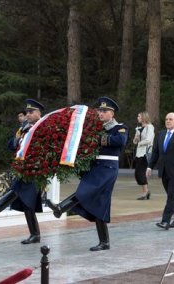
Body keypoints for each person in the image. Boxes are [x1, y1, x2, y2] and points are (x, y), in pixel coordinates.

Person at [46, 97, 128, 251]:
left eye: (105, 111)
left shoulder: (120, 128)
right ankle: (104, 242)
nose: (101, 113)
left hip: (108, 167)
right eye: (99, 110)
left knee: (86, 190)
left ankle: (61, 207)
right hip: (95, 166)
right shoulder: (94, 128)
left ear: (112, 113)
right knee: (100, 204)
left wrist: (98, 139)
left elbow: (120, 141)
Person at [0, 99, 45, 245]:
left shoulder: (43, 127)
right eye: (27, 112)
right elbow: (12, 144)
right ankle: (34, 234)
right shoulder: (24, 128)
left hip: (35, 169)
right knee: (23, 198)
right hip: (23, 168)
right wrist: (16, 141)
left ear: (39, 113)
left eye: (31, 112)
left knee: (24, 198)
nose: (28, 114)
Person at [133, 111, 155, 200]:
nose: (137, 118)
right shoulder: (139, 128)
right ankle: (146, 191)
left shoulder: (150, 127)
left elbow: (149, 140)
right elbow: (135, 142)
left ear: (143, 117)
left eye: (139, 116)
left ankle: (145, 192)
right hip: (139, 154)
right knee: (138, 173)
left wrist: (139, 143)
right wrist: (137, 136)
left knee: (140, 173)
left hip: (145, 153)